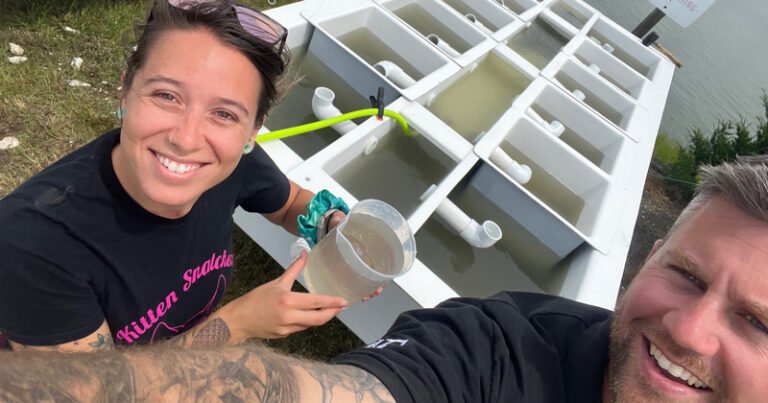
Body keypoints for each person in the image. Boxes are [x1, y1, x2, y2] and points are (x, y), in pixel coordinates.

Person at [2, 156, 767, 402]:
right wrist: (246, 324)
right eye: (685, 274)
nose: (690, 328)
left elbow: (298, 200)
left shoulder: (237, 159)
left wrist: (327, 223)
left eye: (758, 322)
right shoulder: (498, 349)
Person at [0, 0, 365, 352]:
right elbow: (98, 392)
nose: (186, 139)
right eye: (167, 95)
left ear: (252, 131)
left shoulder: (237, 162)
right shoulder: (35, 244)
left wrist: (331, 226)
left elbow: (289, 207)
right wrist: (237, 325)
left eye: (224, 114)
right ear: (126, 90)